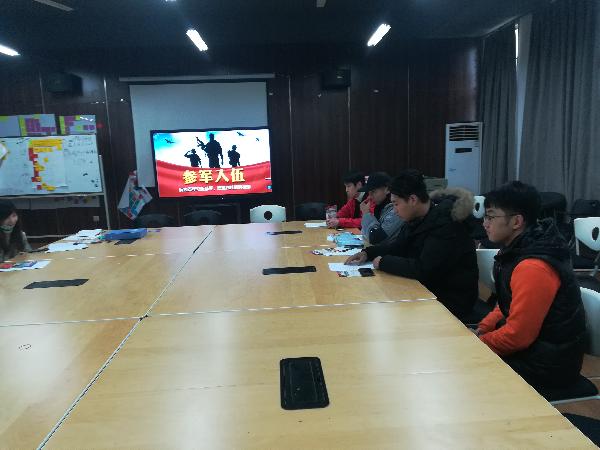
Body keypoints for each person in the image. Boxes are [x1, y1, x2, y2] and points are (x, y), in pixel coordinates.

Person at [475, 181, 586, 396]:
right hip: (535, 351)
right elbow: (509, 303)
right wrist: (484, 327)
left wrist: (478, 344)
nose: (484, 224)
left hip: (548, 366)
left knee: (464, 371)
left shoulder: (533, 265)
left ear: (516, 221)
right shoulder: (521, 248)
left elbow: (518, 337)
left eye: (490, 217)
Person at [345, 169, 478, 321]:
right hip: (425, 290)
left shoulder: (446, 224)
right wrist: (368, 253)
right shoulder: (418, 218)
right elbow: (397, 246)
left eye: (396, 204)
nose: (395, 210)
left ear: (413, 199)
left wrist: (384, 262)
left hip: (449, 301)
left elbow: (424, 269)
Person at [358, 172, 403, 246]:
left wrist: (366, 214)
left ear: (387, 189)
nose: (370, 197)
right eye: (369, 193)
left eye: (373, 192)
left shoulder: (395, 210)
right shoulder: (381, 207)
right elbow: (365, 233)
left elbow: (375, 238)